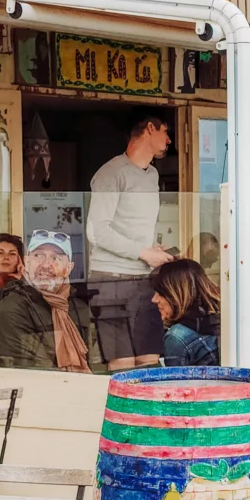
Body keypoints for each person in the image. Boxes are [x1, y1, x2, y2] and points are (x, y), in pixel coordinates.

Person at [87, 110, 173, 372]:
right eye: (166, 132)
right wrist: (142, 252)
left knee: (150, 362)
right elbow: (96, 231)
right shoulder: (111, 173)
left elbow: (137, 229)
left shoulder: (152, 175)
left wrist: (152, 249)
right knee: (123, 366)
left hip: (145, 280)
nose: (169, 140)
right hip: (112, 280)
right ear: (150, 128)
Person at [0, 230, 97, 372]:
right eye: (38, 256)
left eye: (56, 258)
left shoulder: (80, 309)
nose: (45, 265)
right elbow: (30, 369)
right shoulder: (12, 308)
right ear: (26, 262)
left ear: (68, 268)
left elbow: (94, 360)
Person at [152, 258, 221, 367]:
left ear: (176, 295)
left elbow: (174, 382)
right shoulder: (222, 320)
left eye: (160, 293)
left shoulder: (177, 337)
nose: (154, 299)